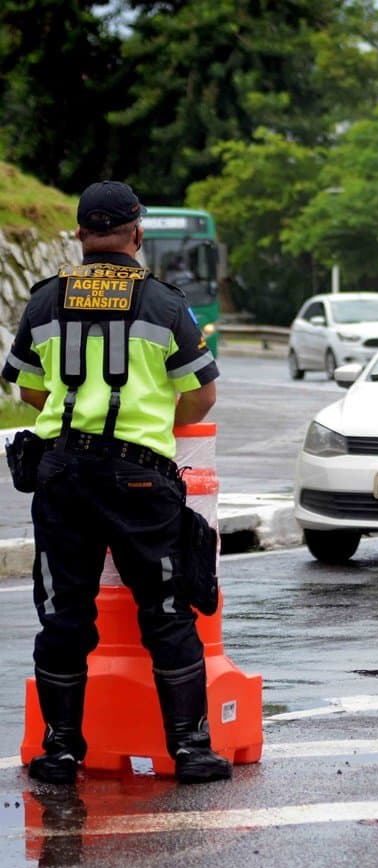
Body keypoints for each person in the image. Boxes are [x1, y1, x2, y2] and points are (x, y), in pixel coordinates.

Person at [1, 180, 231, 785]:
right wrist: (152, 421)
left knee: (63, 615)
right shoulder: (163, 302)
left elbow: (26, 388)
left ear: (79, 234)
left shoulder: (46, 300)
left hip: (63, 476)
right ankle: (190, 749)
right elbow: (201, 393)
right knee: (165, 608)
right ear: (137, 232)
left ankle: (60, 750)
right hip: (139, 481)